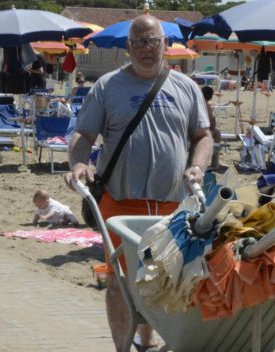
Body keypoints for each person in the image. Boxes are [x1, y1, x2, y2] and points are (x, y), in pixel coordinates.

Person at [63, 15, 212, 351]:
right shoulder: (107, 87)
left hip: (172, 204)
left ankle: (148, 340)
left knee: (168, 280)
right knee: (119, 281)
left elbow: (203, 135)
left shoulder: (186, 87)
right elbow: (84, 134)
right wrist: (78, 163)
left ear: (165, 44)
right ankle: (122, 347)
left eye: (153, 41)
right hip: (120, 202)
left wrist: (197, 166)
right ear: (128, 47)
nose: (147, 48)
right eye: (140, 42)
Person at [201, 85, 227, 170]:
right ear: (211, 96)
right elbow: (212, 125)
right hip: (199, 133)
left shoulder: (196, 102)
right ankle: (214, 162)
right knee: (217, 133)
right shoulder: (206, 105)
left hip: (189, 132)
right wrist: (213, 119)